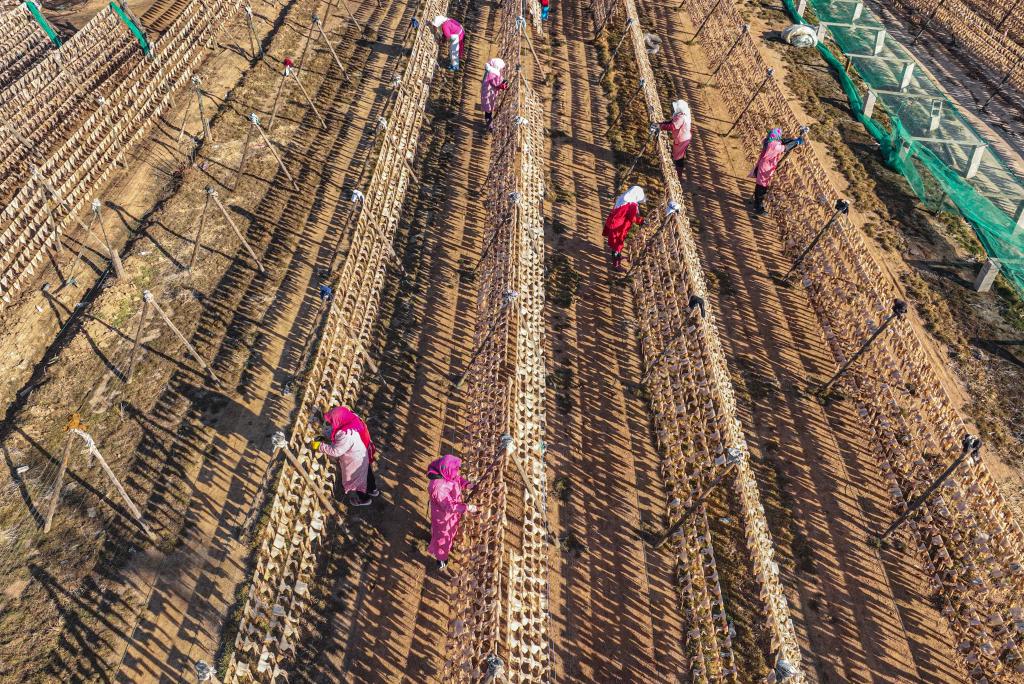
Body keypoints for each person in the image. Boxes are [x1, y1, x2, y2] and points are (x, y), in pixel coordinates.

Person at [313, 406, 378, 506]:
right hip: (363, 453)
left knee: (357, 480)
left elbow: (336, 451)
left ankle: (364, 499)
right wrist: (325, 433)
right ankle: (373, 490)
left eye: (332, 421)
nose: (332, 423)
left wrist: (321, 446)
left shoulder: (345, 434)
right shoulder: (351, 421)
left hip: (355, 460)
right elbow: (336, 432)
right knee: (366, 473)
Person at [426, 454, 476, 571]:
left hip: (450, 514)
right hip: (443, 517)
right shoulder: (438, 488)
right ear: (447, 470)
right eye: (455, 470)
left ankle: (440, 545)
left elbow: (456, 478)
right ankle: (441, 561)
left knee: (447, 533)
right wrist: (467, 507)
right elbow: (449, 506)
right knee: (442, 539)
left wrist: (467, 484)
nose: (457, 472)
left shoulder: (446, 472)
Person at [749, 127, 802, 215]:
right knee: (761, 188)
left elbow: (782, 141)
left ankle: (756, 203)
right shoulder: (774, 146)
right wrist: (796, 142)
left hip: (764, 165)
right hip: (766, 168)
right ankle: (758, 207)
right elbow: (785, 148)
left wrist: (793, 139)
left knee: (760, 186)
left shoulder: (768, 140)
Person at [603, 185, 645, 271]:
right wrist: (641, 221)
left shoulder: (623, 199)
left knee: (616, 244)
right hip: (619, 227)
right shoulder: (631, 205)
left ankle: (617, 257)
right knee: (617, 245)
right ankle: (616, 265)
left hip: (614, 222)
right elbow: (632, 217)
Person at [657, 99, 692, 185]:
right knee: (678, 156)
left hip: (682, 140)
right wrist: (661, 123)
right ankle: (677, 172)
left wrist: (660, 126)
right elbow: (671, 122)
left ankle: (678, 176)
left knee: (678, 158)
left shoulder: (681, 118)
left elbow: (672, 126)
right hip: (683, 138)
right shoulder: (681, 115)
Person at [480, 58, 509, 132]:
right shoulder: (493, 73)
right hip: (488, 94)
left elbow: (499, 80)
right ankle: (489, 125)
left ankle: (488, 121)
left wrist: (503, 81)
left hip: (488, 93)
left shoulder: (491, 71)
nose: (502, 69)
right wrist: (503, 84)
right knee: (489, 109)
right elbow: (497, 83)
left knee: (488, 109)